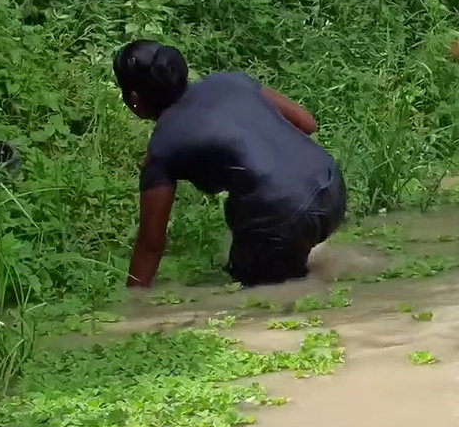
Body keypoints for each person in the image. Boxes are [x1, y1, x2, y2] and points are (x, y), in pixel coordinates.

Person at [113, 40, 347, 289]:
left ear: (135, 99)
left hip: (286, 216)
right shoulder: (232, 81)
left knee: (257, 292)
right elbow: (307, 123)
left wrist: (133, 301)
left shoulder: (163, 145)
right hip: (332, 186)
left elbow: (150, 244)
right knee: (245, 214)